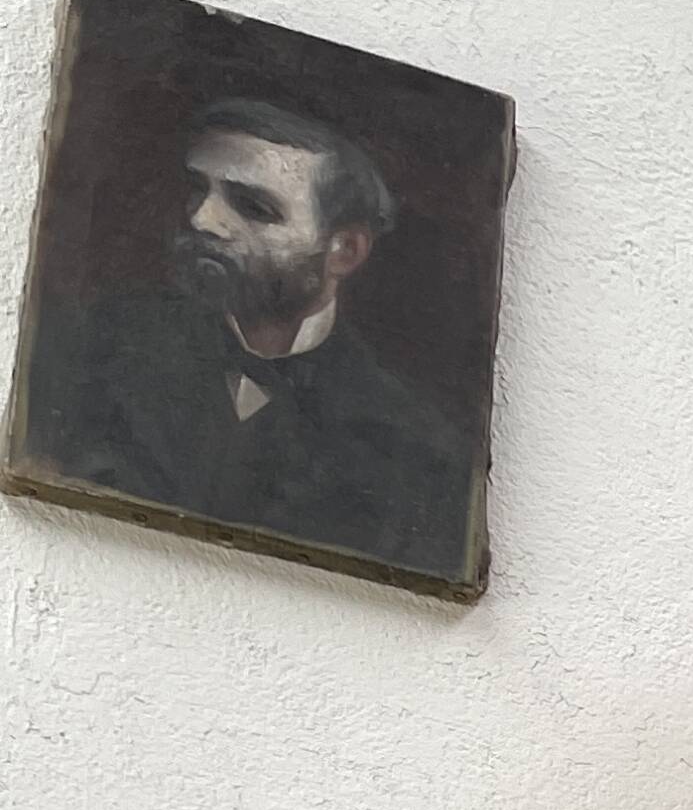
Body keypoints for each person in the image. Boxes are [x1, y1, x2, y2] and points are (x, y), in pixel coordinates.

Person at [21, 97, 478, 580]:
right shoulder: (91, 346)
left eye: (254, 207)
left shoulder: (415, 448)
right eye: (198, 190)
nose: (203, 220)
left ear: (344, 250)